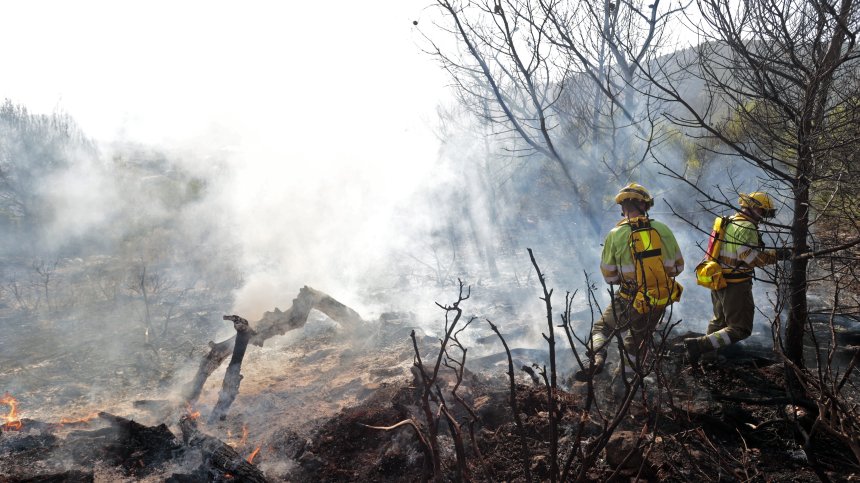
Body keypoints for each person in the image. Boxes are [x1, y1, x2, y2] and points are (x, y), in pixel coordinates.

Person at [575, 183, 685, 381]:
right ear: (646, 205)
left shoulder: (616, 234)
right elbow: (678, 267)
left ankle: (597, 359)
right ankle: (622, 382)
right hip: (658, 298)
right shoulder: (663, 229)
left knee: (602, 329)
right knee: (637, 340)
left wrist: (626, 280)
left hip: (629, 297)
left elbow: (609, 275)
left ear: (623, 208)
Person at [684, 192, 788, 364]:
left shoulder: (729, 221)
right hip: (736, 284)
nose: (763, 217)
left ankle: (708, 358)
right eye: (763, 211)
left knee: (719, 321)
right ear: (753, 208)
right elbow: (750, 258)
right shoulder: (747, 227)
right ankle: (699, 346)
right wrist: (777, 255)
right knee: (740, 329)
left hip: (718, 279)